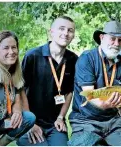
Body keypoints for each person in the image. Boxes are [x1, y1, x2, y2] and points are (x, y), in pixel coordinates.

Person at [68, 20, 121, 146]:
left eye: (120, 40)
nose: (116, 43)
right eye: (112, 39)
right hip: (86, 120)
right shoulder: (87, 58)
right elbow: (89, 95)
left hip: (113, 121)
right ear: (102, 37)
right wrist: (105, 104)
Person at [17, 16, 78, 146]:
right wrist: (29, 123)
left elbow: (68, 93)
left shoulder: (73, 59)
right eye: (61, 29)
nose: (66, 33)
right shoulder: (32, 56)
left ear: (73, 35)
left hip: (55, 123)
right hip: (31, 123)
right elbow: (20, 90)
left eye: (70, 30)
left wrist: (61, 117)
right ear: (51, 32)